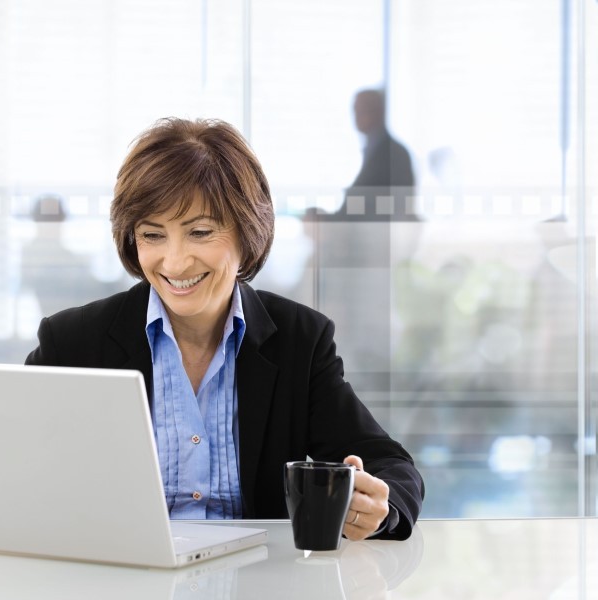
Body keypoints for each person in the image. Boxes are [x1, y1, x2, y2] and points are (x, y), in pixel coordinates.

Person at [25, 117, 424, 541]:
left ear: (247, 232)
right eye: (152, 235)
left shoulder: (299, 340)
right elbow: (4, 463)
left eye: (199, 232)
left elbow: (391, 469)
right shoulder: (71, 342)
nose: (175, 263)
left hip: (258, 580)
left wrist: (378, 508)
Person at [336, 88, 415, 221]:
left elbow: (399, 206)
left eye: (362, 110)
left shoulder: (395, 154)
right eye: (355, 110)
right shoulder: (372, 149)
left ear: (379, 111)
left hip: (378, 236)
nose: (356, 116)